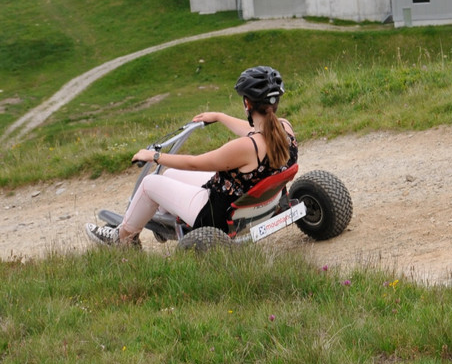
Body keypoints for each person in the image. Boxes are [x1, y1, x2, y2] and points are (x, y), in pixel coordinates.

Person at [85, 65, 298, 247]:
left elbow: (194, 164)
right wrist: (219, 116)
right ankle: (164, 222)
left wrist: (154, 156)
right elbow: (253, 131)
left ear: (247, 104)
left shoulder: (244, 148)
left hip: (217, 216)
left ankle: (121, 239)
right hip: (252, 202)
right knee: (169, 176)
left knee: (151, 182)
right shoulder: (284, 129)